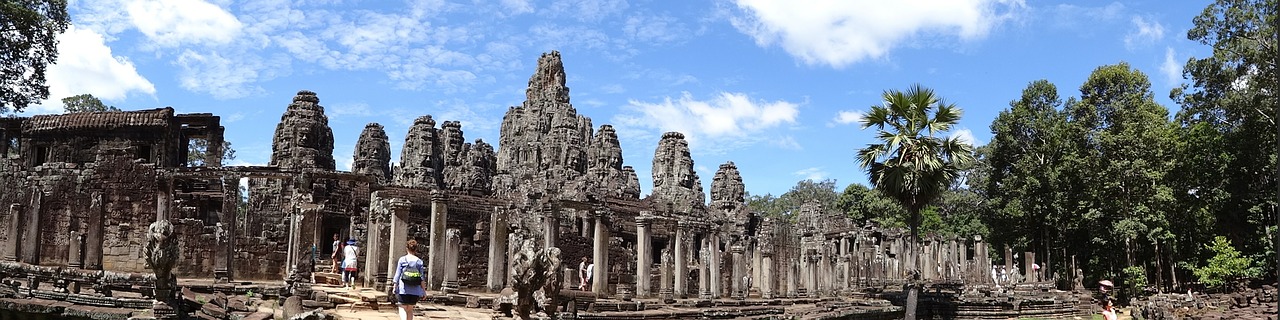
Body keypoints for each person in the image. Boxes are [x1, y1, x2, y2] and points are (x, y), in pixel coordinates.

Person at [393, 240, 426, 320]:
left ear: (406, 248)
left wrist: (395, 286)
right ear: (415, 249)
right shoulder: (419, 262)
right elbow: (422, 278)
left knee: (402, 307)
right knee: (410, 310)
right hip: (415, 290)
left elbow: (398, 274)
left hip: (404, 288)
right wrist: (423, 291)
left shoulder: (402, 260)